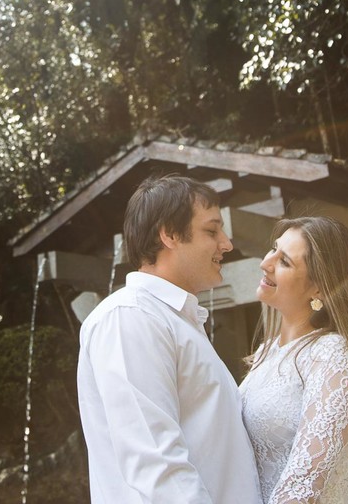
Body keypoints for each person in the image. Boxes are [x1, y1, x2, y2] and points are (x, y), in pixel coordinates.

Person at [77, 175, 262, 504]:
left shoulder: (176, 320)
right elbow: (157, 463)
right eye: (212, 231)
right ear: (170, 234)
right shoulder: (130, 317)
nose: (226, 244)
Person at [240, 216, 348, 503]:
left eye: (284, 262)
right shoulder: (265, 353)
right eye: (273, 249)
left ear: (319, 288)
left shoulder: (332, 354)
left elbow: (303, 484)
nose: (265, 263)